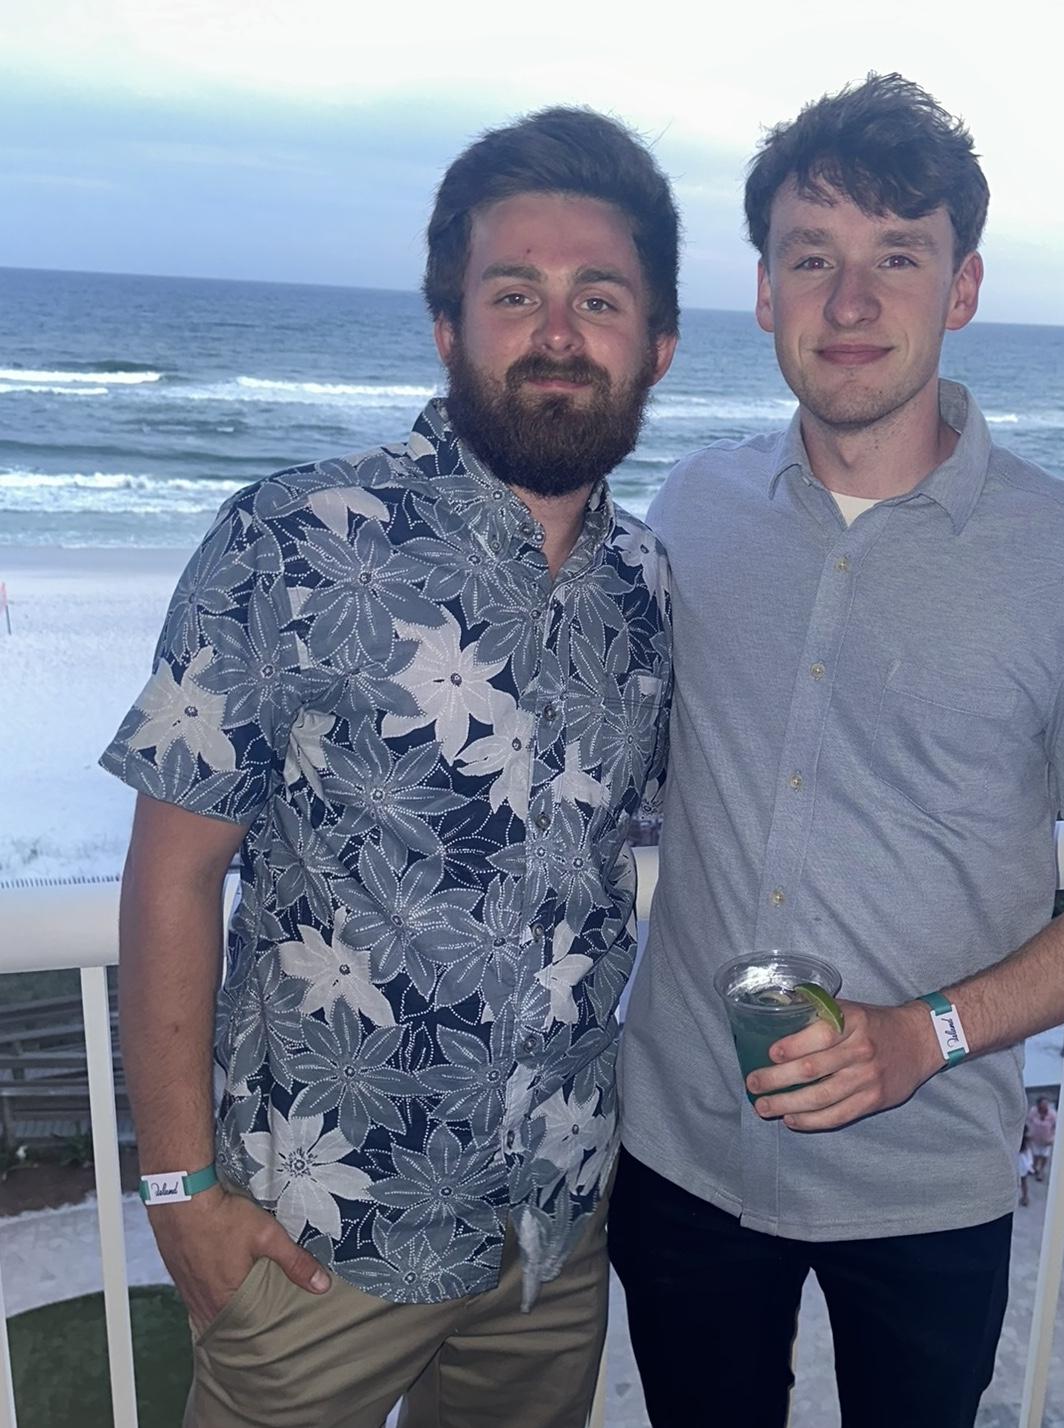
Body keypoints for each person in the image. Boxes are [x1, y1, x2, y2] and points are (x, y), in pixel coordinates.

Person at [610, 73, 1064, 1428]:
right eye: (812, 258)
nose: (851, 302)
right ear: (765, 291)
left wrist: (926, 1036)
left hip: (927, 1180)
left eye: (898, 257)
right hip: (682, 1150)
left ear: (963, 287)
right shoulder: (692, 507)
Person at [103, 106, 680, 1428]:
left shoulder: (647, 585)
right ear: (446, 327)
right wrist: (180, 1192)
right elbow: (172, 876)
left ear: (654, 346)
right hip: (316, 1241)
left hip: (550, 1242)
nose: (556, 332)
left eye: (598, 299)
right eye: (514, 293)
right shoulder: (294, 539)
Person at [1028, 1095, 1059, 1181]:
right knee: (1035, 1154)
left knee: (1044, 1155)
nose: (1045, 1106)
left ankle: (1041, 1170)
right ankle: (1034, 1167)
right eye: (1043, 1105)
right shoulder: (1033, 1111)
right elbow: (1029, 1121)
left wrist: (1052, 1138)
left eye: (1046, 1104)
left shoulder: (1052, 1114)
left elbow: (1056, 1127)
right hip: (1035, 1138)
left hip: (1046, 1140)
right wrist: (1029, 1133)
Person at [1018, 1130, 1035, 1207]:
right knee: (1024, 1182)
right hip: (1023, 1163)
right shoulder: (1026, 1142)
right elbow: (1029, 1154)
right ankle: (1025, 1197)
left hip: (1017, 1162)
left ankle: (1024, 1198)